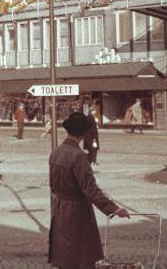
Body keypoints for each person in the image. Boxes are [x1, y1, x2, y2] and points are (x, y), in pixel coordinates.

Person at [48, 112, 129, 268]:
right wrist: (114, 208)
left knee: (65, 255)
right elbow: (90, 189)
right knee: (80, 257)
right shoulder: (78, 156)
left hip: (60, 209)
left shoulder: (56, 152)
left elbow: (52, 185)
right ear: (84, 133)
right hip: (77, 212)